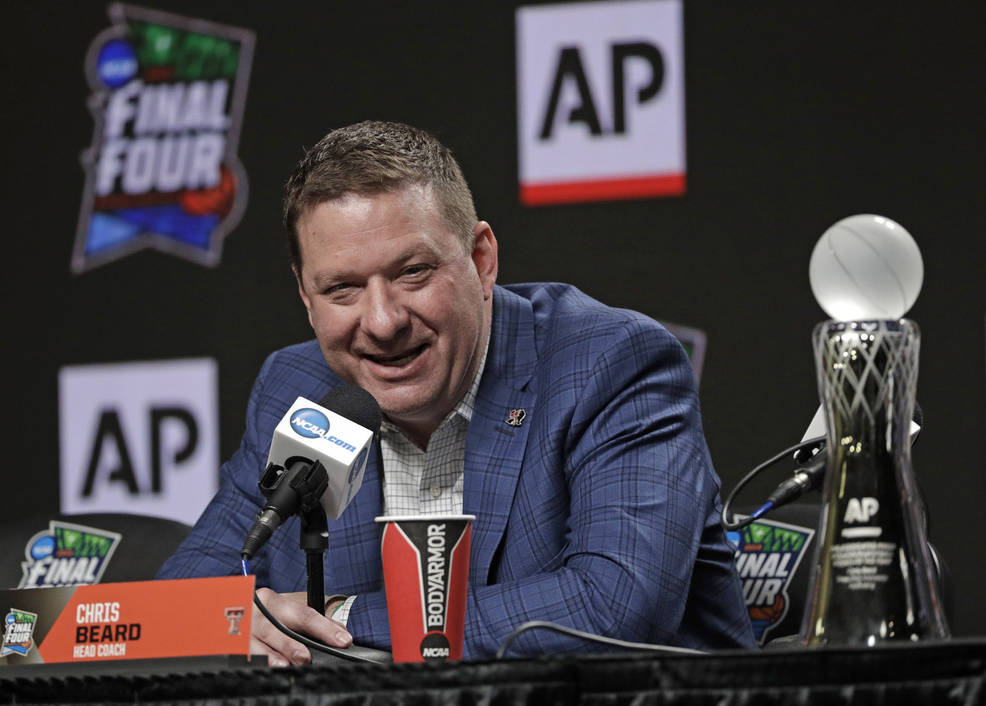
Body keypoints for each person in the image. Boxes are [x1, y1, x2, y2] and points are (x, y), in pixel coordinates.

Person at [157, 120, 755, 664]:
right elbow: (173, 611)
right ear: (305, 296)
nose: (384, 320)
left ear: (481, 259)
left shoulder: (609, 363)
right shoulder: (297, 390)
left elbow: (615, 608)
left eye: (412, 272)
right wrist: (234, 624)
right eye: (342, 288)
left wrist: (333, 618)